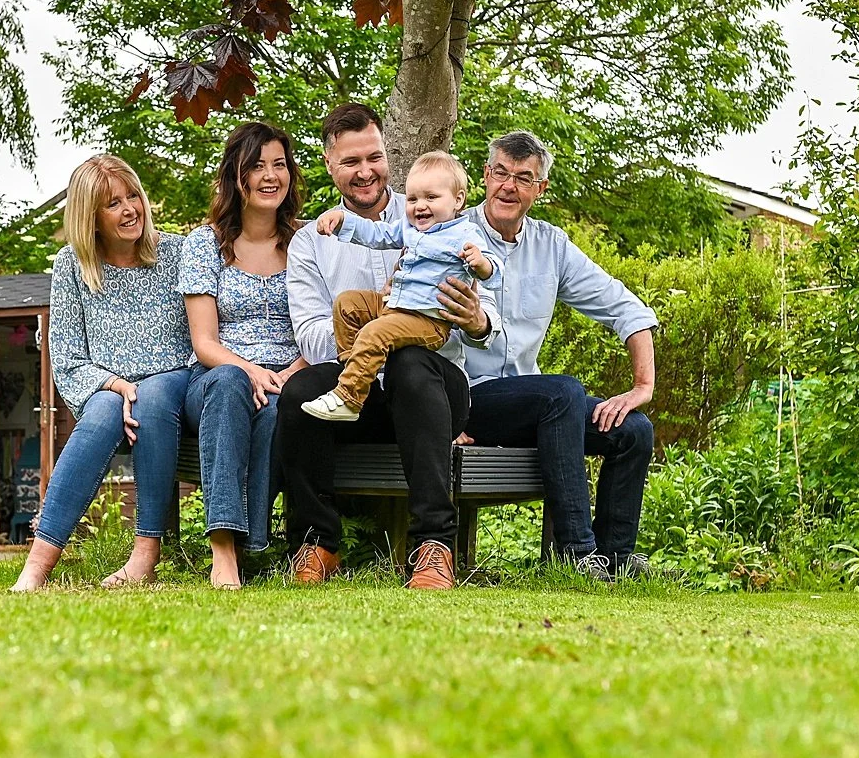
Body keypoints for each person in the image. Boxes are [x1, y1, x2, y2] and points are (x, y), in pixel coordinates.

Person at [276, 103, 500, 591]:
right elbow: (311, 335)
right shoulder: (312, 240)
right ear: (330, 165)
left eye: (373, 157)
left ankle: (433, 547)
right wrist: (380, 330)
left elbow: (488, 305)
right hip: (357, 390)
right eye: (351, 161)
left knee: (411, 364)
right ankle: (317, 543)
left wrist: (477, 320)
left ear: (387, 156)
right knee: (299, 393)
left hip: (431, 390)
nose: (365, 172)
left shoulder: (435, 210)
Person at [461, 130, 660, 581]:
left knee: (634, 430)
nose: (508, 186)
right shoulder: (455, 234)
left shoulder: (551, 246)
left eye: (523, 178)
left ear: (540, 188)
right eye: (500, 173)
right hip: (469, 401)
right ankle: (576, 554)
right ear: (485, 176)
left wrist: (642, 387)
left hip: (536, 406)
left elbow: (626, 308)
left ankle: (616, 559)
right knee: (562, 392)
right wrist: (440, 416)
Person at [11, 155, 194, 592]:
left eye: (133, 196)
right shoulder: (71, 265)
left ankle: (146, 554)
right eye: (113, 204)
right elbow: (67, 356)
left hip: (175, 379)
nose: (130, 209)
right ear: (90, 217)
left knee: (152, 395)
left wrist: (140, 389)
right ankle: (36, 566)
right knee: (101, 413)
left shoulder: (177, 253)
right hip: (107, 386)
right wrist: (118, 385)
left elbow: (203, 334)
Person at [178, 122, 309, 589]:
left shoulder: (306, 242)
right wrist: (252, 370)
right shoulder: (205, 244)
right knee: (233, 383)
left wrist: (292, 371)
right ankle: (223, 548)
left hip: (287, 377)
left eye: (279, 164)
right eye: (257, 166)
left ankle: (251, 544)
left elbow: (322, 327)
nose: (270, 176)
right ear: (236, 175)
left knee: (276, 411)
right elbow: (204, 342)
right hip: (216, 378)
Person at [303, 151, 500, 421]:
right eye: (412, 199)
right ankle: (357, 377)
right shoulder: (409, 228)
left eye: (431, 197)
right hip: (395, 305)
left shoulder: (464, 234)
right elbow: (377, 233)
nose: (420, 206)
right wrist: (343, 221)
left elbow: (494, 270)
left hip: (429, 320)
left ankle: (347, 397)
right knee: (347, 304)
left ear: (458, 199)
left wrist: (481, 264)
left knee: (374, 332)